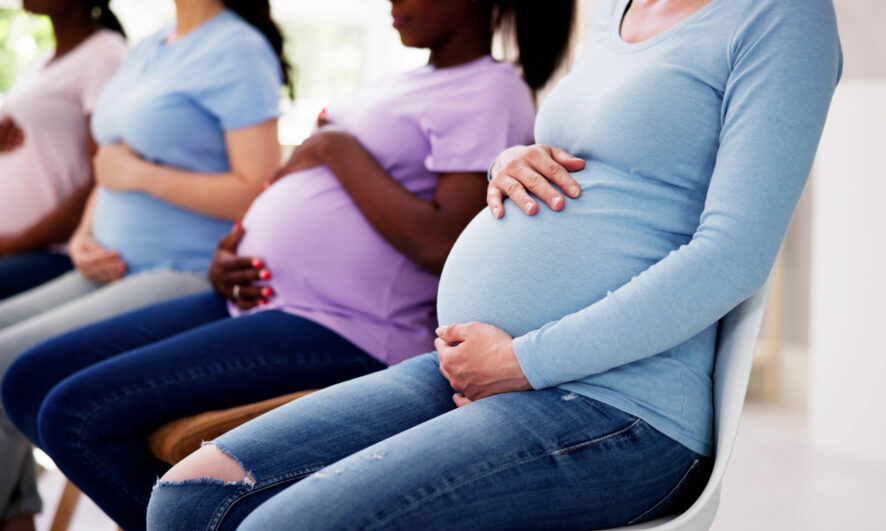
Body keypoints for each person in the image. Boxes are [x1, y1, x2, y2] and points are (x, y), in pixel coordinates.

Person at [143, 0, 844, 529]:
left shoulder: (782, 17)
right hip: (470, 368)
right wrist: (512, 161)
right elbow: (591, 151)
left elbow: (732, 257)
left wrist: (526, 360)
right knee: (186, 499)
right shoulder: (620, 7)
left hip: (618, 404)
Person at [1, 0, 573, 529]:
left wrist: (336, 149)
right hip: (253, 295)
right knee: (26, 380)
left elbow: (443, 244)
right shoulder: (406, 82)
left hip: (349, 324)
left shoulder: (493, 90)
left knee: (78, 415)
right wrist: (234, 247)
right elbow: (288, 189)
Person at [0, 0, 289, 527]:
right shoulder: (151, 45)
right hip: (106, 262)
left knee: (6, 361)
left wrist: (139, 177)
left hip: (180, 268)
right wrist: (86, 235)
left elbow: (257, 189)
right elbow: (109, 157)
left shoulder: (239, 49)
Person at [0, 0, 127, 303]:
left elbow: (105, 174)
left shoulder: (104, 55)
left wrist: (10, 245)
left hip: (55, 250)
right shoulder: (41, 63)